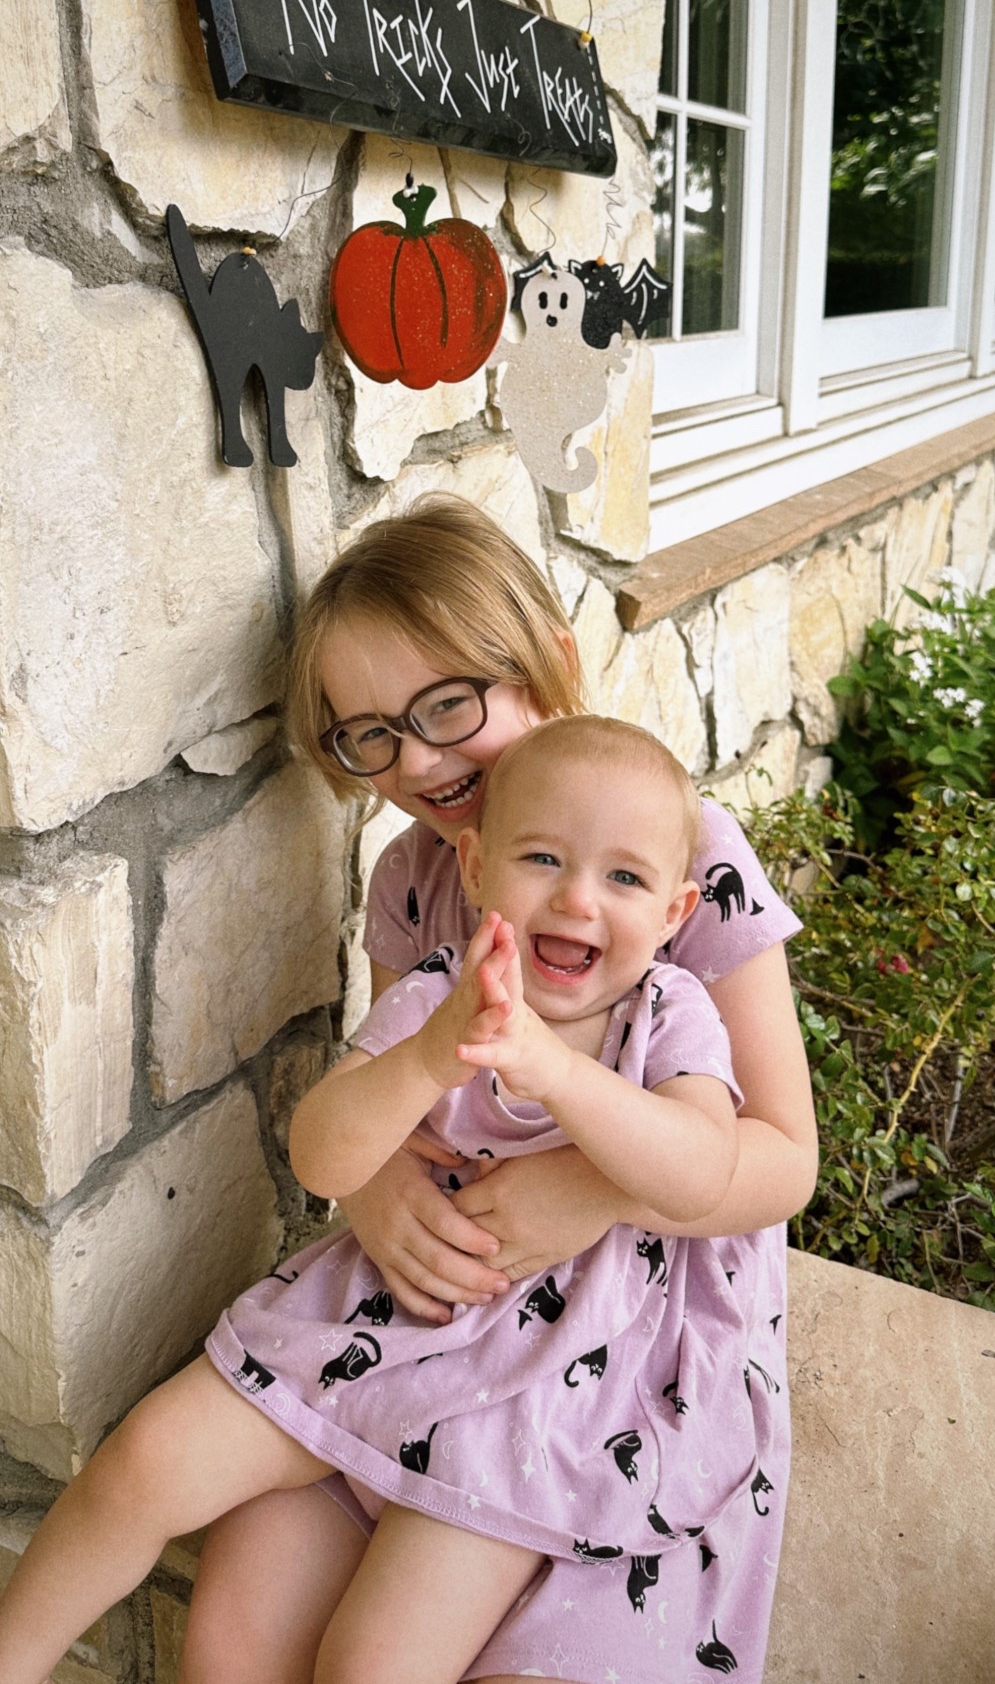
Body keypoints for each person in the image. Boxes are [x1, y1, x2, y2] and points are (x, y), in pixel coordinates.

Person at [0, 718, 774, 1684]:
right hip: (392, 1306)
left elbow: (698, 1171)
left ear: (680, 907)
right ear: (473, 868)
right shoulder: (441, 991)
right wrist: (434, 1054)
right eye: (543, 858)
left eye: (624, 880)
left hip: (557, 1370)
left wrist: (552, 1069)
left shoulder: (670, 1012)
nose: (577, 899)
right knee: (147, 1460)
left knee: (375, 1662)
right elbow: (323, 1157)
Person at [180, 496, 817, 1684]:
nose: (417, 759)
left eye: (449, 705)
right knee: (234, 1628)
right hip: (448, 1312)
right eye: (371, 736)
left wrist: (596, 1187)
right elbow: (403, 1095)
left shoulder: (691, 861)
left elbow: (783, 1159)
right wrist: (373, 1198)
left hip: (643, 1330)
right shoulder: (412, 880)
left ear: (552, 666)